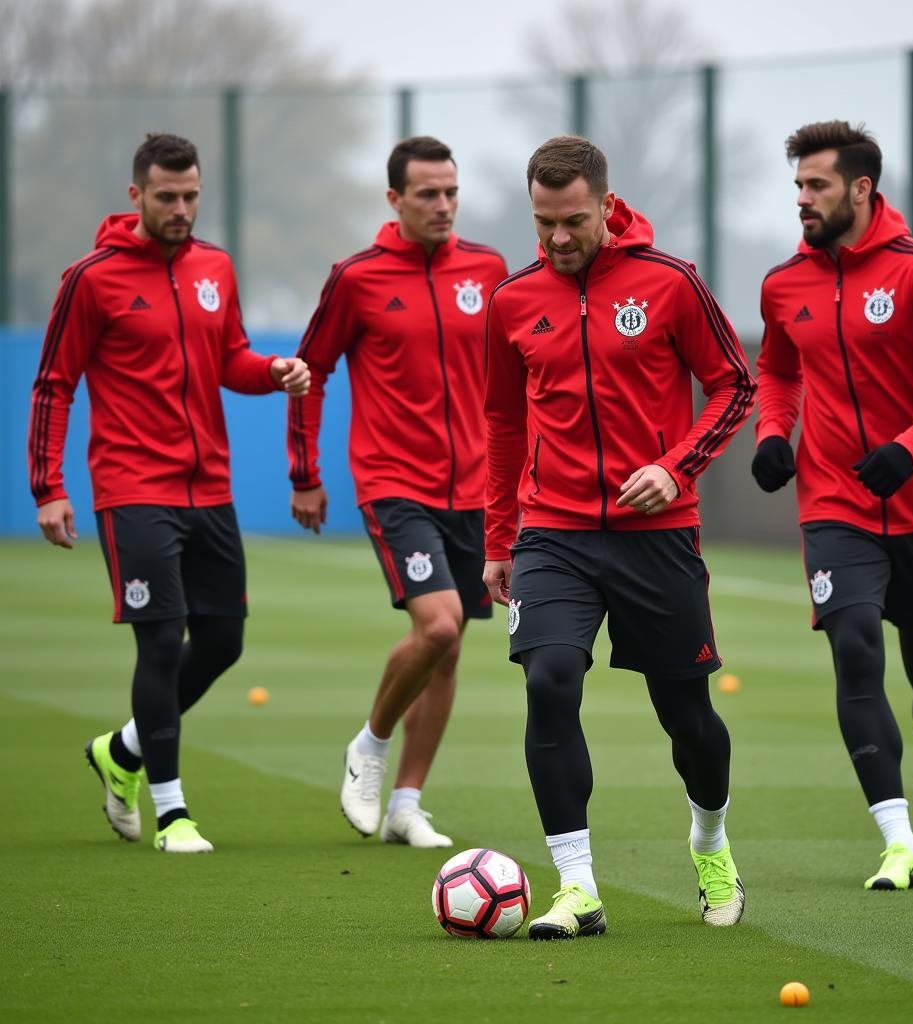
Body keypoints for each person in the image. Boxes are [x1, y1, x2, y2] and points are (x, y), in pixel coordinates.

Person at [484, 135, 755, 939]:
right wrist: (501, 537)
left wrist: (676, 468)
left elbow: (736, 385)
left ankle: (710, 845)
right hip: (554, 534)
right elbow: (502, 422)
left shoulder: (671, 283)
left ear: (606, 205)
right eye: (543, 225)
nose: (558, 240)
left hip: (656, 534)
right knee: (549, 681)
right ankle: (577, 888)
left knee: (687, 715)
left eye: (572, 222)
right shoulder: (512, 300)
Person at [28, 133, 310, 854]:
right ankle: (172, 811)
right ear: (136, 197)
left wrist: (272, 370)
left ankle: (120, 751)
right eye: (166, 198)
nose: (181, 209)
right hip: (132, 488)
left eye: (190, 196)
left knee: (222, 642)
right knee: (160, 645)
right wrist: (49, 487)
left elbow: (230, 360)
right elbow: (53, 385)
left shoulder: (214, 266)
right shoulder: (90, 279)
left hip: (208, 488)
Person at [753, 120, 913, 890]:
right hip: (834, 506)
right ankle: (895, 840)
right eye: (797, 186)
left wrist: (909, 448)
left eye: (816, 185)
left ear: (861, 188)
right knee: (854, 648)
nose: (803, 200)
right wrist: (773, 433)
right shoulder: (785, 282)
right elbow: (778, 372)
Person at [288, 136, 508, 848]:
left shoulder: (488, 268)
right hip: (395, 484)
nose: (443, 205)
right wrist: (305, 474)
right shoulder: (355, 278)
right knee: (438, 624)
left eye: (451, 192)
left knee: (448, 651)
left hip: (477, 490)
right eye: (427, 194)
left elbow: (512, 379)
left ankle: (407, 803)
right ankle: (370, 748)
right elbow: (309, 370)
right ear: (394, 200)